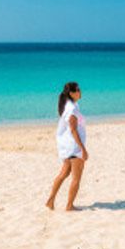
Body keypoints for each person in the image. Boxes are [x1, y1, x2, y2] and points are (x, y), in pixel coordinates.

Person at [45, 82, 88, 211]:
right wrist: (83, 149)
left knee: (64, 173)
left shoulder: (71, 106)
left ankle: (50, 200)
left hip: (68, 146)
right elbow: (73, 130)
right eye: (78, 90)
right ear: (72, 93)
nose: (80, 92)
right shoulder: (72, 109)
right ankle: (69, 205)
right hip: (74, 147)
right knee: (76, 177)